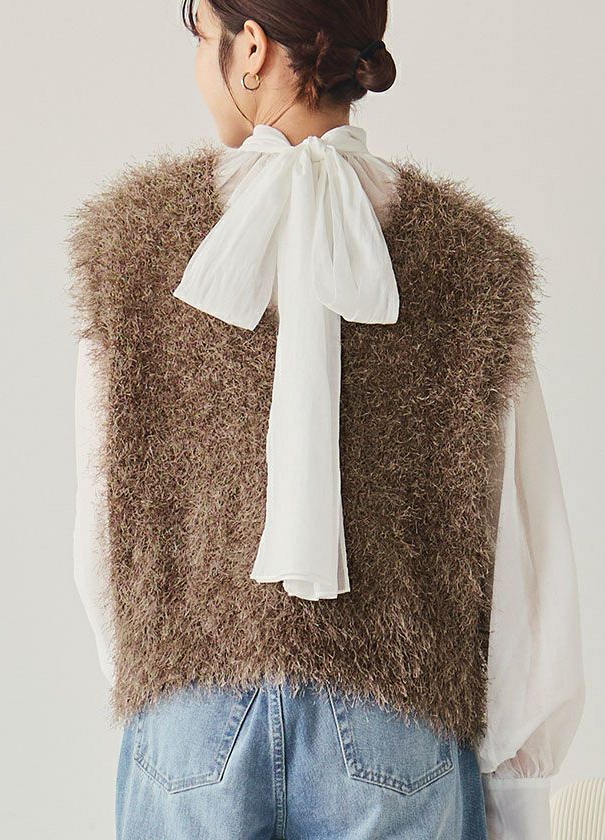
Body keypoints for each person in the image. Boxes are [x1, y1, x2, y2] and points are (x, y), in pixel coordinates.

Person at [67, 1, 586, 838]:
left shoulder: (131, 244)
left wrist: (168, 686)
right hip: (398, 719)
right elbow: (522, 549)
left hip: (190, 719)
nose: (199, 62)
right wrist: (521, 793)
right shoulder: (471, 259)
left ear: (252, 48)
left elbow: (105, 529)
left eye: (201, 34)